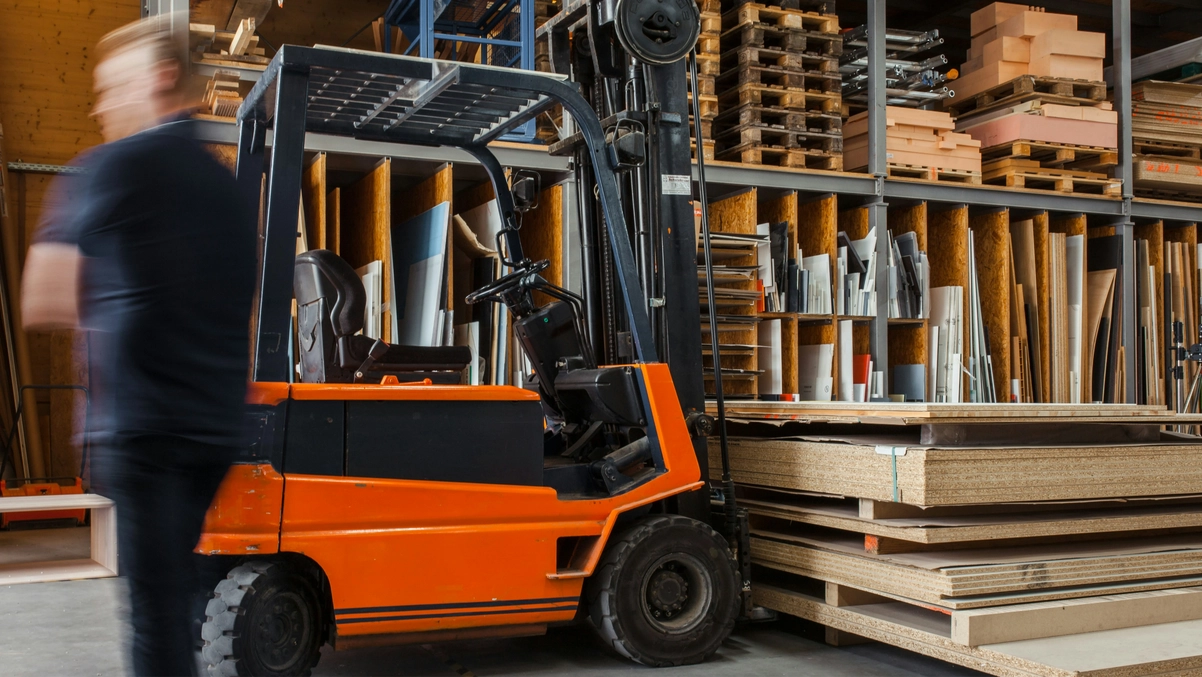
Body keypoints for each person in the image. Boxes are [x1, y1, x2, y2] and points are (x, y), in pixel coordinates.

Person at [21, 15, 257, 677]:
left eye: (109, 88)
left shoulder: (114, 166)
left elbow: (44, 296)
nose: (99, 107)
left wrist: (114, 301)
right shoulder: (229, 189)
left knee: (155, 620)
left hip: (144, 429)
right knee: (177, 601)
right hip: (213, 429)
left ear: (160, 77)